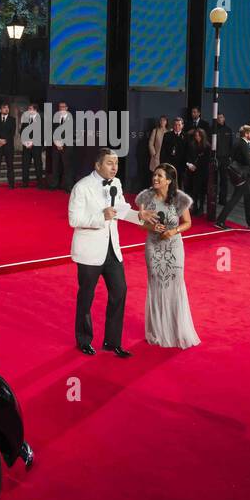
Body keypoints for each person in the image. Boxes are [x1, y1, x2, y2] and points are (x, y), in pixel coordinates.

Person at [68, 149, 156, 357]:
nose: (114, 167)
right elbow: (74, 219)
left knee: (120, 292)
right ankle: (83, 340)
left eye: (116, 163)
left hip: (112, 251)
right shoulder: (81, 187)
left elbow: (121, 209)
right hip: (89, 252)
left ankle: (112, 341)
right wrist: (102, 216)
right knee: (86, 297)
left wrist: (139, 215)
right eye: (110, 163)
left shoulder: (115, 183)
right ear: (98, 165)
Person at [133, 164, 200, 350]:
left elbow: (187, 223)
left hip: (174, 247)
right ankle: (158, 330)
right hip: (153, 247)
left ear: (169, 180)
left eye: (160, 176)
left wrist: (173, 231)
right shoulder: (145, 197)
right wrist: (151, 227)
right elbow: (140, 223)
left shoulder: (179, 199)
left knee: (175, 284)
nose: (155, 179)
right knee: (156, 285)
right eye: (154, 175)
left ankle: (177, 329)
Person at [214, 125, 250, 230]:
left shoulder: (239, 143)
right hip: (242, 176)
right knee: (235, 199)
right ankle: (220, 221)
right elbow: (249, 161)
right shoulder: (243, 145)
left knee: (248, 198)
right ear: (246, 134)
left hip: (241, 175)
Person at [182, 127, 209, 213]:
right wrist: (189, 164)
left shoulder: (207, 146)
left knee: (202, 191)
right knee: (194, 190)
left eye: (199, 136)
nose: (197, 137)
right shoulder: (192, 144)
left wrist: (196, 166)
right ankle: (195, 207)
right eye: (196, 135)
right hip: (193, 171)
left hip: (202, 171)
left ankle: (201, 208)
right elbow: (188, 156)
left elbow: (206, 160)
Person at [47, 102, 72, 189]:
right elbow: (52, 132)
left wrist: (62, 143)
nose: (61, 108)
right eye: (60, 107)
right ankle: (54, 185)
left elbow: (71, 133)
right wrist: (57, 143)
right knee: (55, 166)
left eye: (63, 107)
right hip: (56, 146)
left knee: (67, 167)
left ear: (67, 108)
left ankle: (68, 186)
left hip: (67, 147)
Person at [19, 104, 43, 188]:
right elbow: (21, 131)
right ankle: (25, 183)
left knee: (38, 164)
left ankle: (40, 183)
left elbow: (42, 133)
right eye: (28, 108)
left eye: (30, 108)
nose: (28, 110)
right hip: (26, 146)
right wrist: (26, 142)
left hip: (36, 146)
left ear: (35, 110)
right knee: (25, 164)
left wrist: (32, 142)